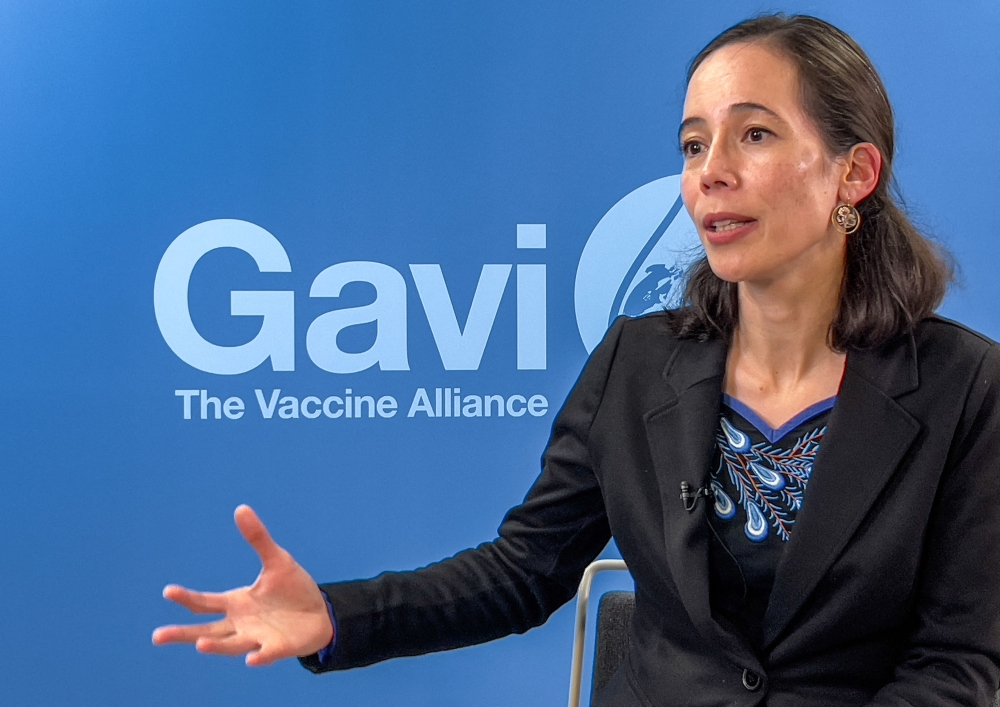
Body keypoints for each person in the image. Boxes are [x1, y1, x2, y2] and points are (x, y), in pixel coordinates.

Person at [152, 14, 1000, 706]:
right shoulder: (637, 362)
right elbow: (524, 569)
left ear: (854, 172)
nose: (713, 173)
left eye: (755, 136)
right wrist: (337, 614)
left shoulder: (968, 388)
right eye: (694, 145)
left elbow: (960, 665)